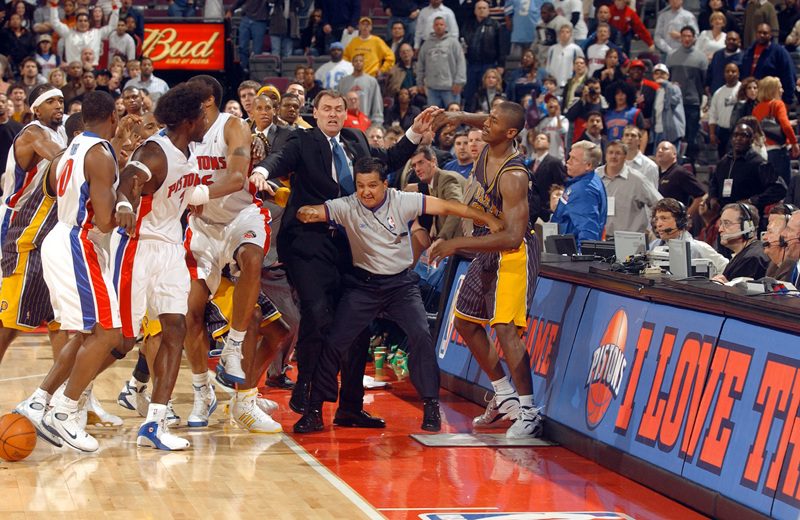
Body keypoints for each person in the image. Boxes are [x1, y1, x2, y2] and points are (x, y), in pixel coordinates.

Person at [249, 90, 440, 419]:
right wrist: (263, 173)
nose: (334, 114)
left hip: (350, 245)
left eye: (339, 109)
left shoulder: (355, 138)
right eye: (327, 109)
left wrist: (414, 133)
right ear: (316, 113)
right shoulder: (302, 140)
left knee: (357, 325)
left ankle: (350, 408)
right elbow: (279, 159)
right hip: (309, 243)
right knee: (318, 313)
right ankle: (307, 397)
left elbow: (389, 158)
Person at [294, 155, 497, 433]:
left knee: (421, 336)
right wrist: (303, 210)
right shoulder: (346, 206)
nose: (366, 191)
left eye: (373, 185)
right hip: (363, 286)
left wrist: (485, 217)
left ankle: (430, 406)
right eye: (361, 185)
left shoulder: (403, 200)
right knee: (334, 343)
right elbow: (312, 211)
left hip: (401, 286)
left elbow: (449, 206)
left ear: (385, 185)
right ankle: (315, 410)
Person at [15, 91, 123, 452]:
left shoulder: (73, 145)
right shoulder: (99, 154)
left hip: (61, 238)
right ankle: (64, 411)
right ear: (112, 116)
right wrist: (127, 210)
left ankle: (38, 400)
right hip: (78, 241)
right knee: (109, 333)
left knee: (80, 333)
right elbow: (105, 221)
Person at [429, 101, 542, 438]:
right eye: (486, 118)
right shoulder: (490, 143)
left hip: (513, 251)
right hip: (487, 243)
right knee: (464, 321)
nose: (484, 125)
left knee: (506, 329)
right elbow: (490, 120)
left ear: (510, 134)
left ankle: (529, 410)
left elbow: (511, 235)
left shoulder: (513, 175)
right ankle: (504, 394)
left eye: (493, 122)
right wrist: (458, 116)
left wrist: (454, 245)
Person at [111, 82, 211, 450]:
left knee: (175, 329)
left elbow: (182, 192)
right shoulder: (157, 150)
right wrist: (124, 203)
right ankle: (65, 400)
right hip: (139, 248)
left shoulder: (191, 153)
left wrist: (195, 199)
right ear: (188, 120)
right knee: (120, 340)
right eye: (202, 114)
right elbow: (130, 178)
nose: (205, 120)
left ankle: (154, 422)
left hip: (170, 249)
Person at [179, 75, 273, 432]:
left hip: (240, 216)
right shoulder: (183, 133)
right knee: (189, 313)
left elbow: (235, 178)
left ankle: (233, 346)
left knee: (251, 259)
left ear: (206, 102)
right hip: (202, 229)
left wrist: (197, 194)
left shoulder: (232, 128)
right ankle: (202, 390)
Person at [0, 84, 66, 367]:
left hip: (47, 230)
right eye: (51, 101)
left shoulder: (60, 132)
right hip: (18, 225)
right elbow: (62, 160)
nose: (59, 105)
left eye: (61, 100)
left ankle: (67, 395)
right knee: (10, 319)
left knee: (59, 315)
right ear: (35, 109)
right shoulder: (33, 133)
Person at [708, 123, 786, 216]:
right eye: (735, 135)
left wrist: (752, 201)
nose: (738, 139)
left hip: (748, 217)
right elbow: (714, 182)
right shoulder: (724, 161)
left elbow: (779, 189)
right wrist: (713, 197)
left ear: (751, 139)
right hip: (723, 214)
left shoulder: (759, 163)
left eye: (743, 135)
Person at [597, 140, 662, 235]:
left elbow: (658, 203)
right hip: (600, 238)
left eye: (618, 153)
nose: (613, 156)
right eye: (610, 153)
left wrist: (652, 227)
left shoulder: (637, 179)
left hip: (630, 239)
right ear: (605, 155)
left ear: (625, 156)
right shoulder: (595, 176)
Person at [649, 198, 729, 274]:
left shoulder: (698, 247)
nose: (658, 224)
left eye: (664, 218)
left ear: (680, 221)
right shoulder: (654, 246)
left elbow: (727, 268)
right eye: (657, 219)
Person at [551, 141, 607, 247]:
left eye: (574, 159)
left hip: (571, 256)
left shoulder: (584, 189)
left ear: (588, 165)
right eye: (569, 157)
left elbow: (588, 231)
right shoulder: (589, 181)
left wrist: (583, 260)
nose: (568, 161)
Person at [666, 26, 707, 161]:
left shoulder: (701, 58)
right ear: (680, 37)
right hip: (675, 103)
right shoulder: (671, 56)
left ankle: (691, 162)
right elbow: (668, 78)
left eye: (690, 36)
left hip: (693, 101)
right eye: (684, 36)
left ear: (694, 38)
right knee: (675, 134)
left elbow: (703, 81)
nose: (687, 39)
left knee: (692, 134)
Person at [751, 76, 799, 186]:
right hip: (779, 151)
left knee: (770, 186)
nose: (782, 90)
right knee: (784, 186)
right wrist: (794, 143)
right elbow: (785, 125)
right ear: (773, 90)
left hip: (763, 152)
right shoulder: (778, 104)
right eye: (779, 88)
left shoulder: (756, 108)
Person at [462, 1, 505, 112]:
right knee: (470, 93)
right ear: (475, 10)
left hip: (488, 64)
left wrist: (501, 64)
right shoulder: (468, 25)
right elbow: (463, 42)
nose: (482, 10)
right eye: (479, 8)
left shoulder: (495, 25)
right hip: (472, 64)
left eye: (484, 8)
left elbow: (501, 46)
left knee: (487, 92)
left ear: (488, 10)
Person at [740, 23, 796, 106]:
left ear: (770, 35)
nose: (761, 35)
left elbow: (789, 76)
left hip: (771, 100)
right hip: (751, 100)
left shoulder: (779, 52)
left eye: (765, 33)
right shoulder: (749, 51)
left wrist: (787, 101)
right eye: (759, 32)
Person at [712, 203, 769, 282]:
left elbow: (744, 293)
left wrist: (727, 287)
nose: (720, 229)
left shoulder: (752, 258)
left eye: (726, 223)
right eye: (721, 224)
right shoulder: (744, 255)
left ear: (747, 226)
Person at [416, 16, 465, 109]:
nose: (439, 27)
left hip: (451, 88)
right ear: (433, 27)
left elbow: (461, 63)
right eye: (436, 25)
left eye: (441, 24)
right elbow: (420, 65)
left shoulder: (453, 43)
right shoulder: (426, 44)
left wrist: (459, 82)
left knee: (453, 118)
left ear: (445, 26)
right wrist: (420, 83)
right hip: (432, 89)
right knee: (433, 118)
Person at [49, 2, 119, 64]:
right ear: (76, 23)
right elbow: (55, 23)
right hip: (74, 70)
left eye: (85, 21)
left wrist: (115, 9)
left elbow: (112, 26)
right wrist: (53, 6)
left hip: (91, 72)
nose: (83, 23)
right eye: (80, 21)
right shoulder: (69, 33)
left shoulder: (96, 33)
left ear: (89, 23)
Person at [654, 141, 705, 216]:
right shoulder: (655, 173)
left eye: (665, 149)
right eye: (658, 149)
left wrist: (687, 217)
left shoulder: (680, 173)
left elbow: (701, 196)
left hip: (674, 221)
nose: (660, 151)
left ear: (674, 154)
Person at [528, 132, 567, 223]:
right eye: (537, 138)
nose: (539, 140)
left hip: (547, 211)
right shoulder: (530, 164)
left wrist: (553, 205)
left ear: (549, 143)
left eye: (542, 138)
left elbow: (561, 185)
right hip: (532, 211)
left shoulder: (555, 162)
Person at [337, 54, 384, 126]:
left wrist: (377, 122)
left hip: (365, 121)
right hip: (347, 122)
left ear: (364, 63)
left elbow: (377, 103)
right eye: (356, 61)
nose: (358, 62)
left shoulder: (371, 81)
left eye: (361, 61)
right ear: (352, 63)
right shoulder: (343, 81)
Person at [226, 0, 269, 74]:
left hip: (260, 19)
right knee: (242, 46)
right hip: (247, 17)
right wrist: (230, 10)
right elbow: (239, 1)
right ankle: (243, 69)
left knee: (257, 50)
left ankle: (255, 72)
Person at [708, 63, 741, 157]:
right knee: (723, 159)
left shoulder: (742, 90)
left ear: (738, 74)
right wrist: (712, 133)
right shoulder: (718, 93)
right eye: (727, 71)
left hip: (738, 132)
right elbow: (713, 115)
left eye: (733, 71)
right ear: (724, 74)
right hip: (722, 132)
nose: (730, 73)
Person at [706, 31, 742, 96]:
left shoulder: (743, 58)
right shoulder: (717, 54)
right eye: (729, 39)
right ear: (725, 41)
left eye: (734, 40)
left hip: (734, 95)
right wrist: (707, 85)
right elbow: (710, 71)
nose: (731, 41)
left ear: (739, 42)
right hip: (715, 92)